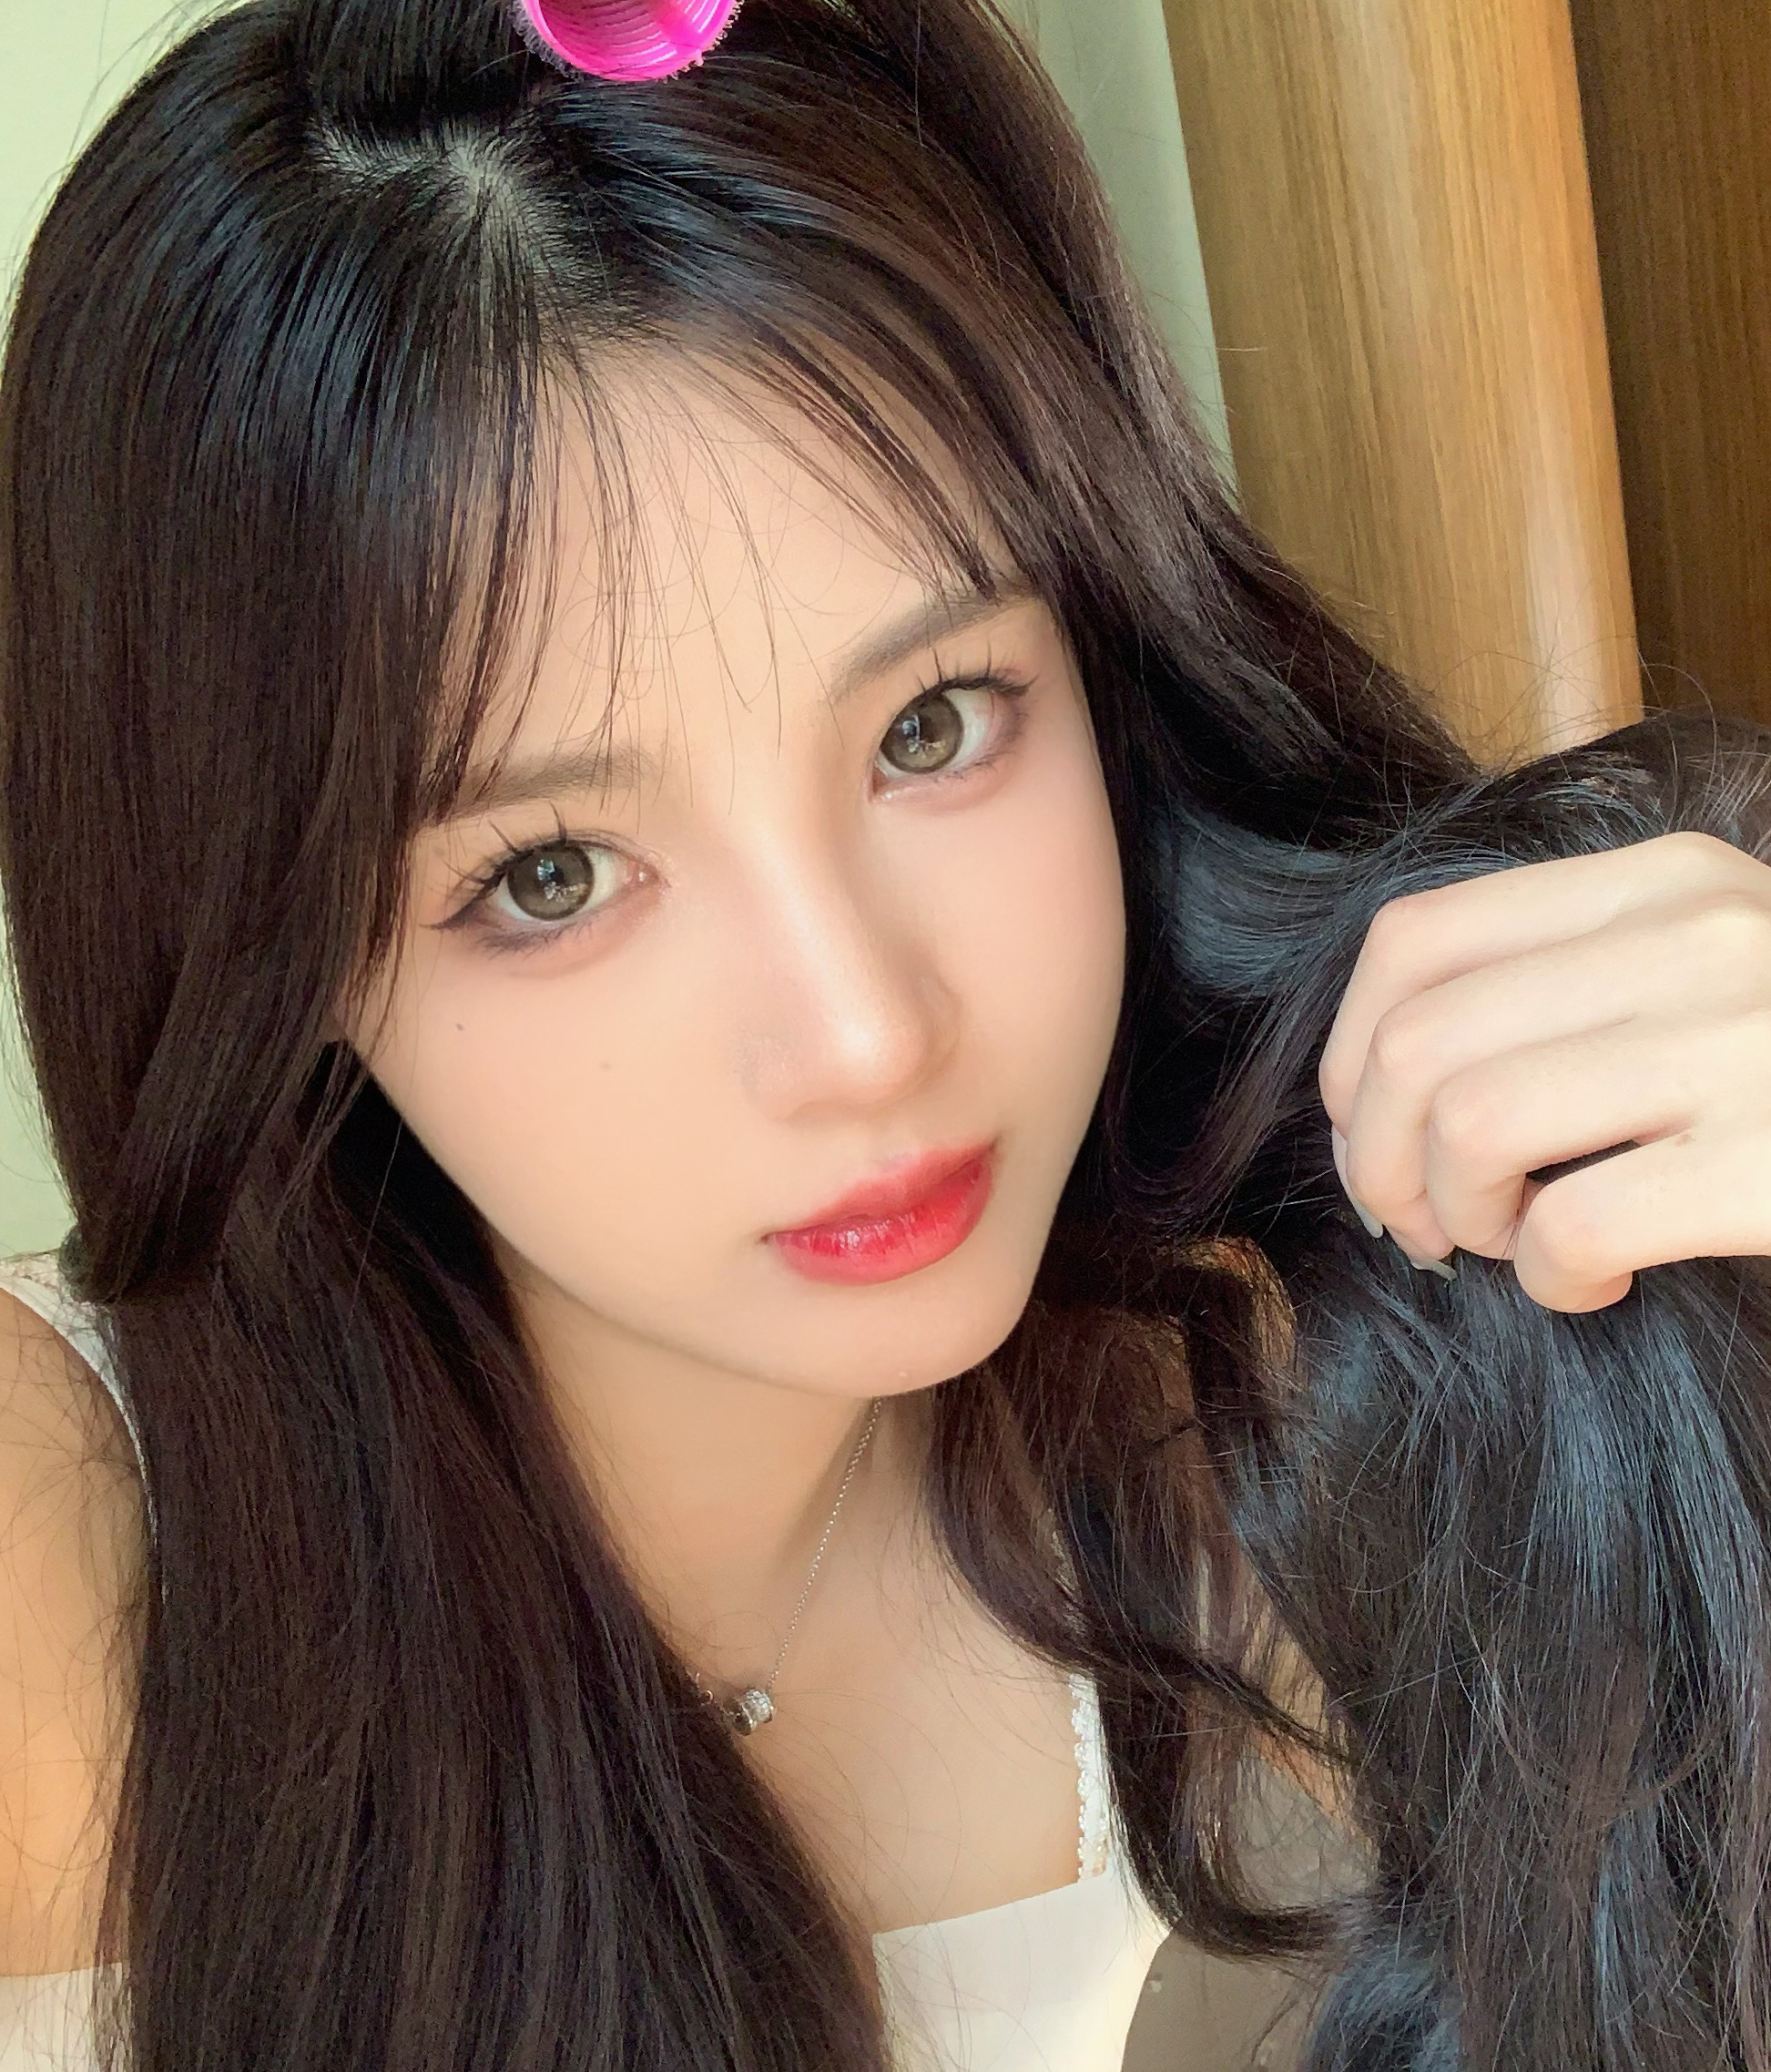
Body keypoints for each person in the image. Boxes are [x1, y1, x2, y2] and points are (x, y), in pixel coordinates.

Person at [4, 2, 1771, 2067]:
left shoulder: (1318, 1424)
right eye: (551, 873)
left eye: (931, 727)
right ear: (277, 947)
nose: (860, 1034)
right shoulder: (64, 1556)